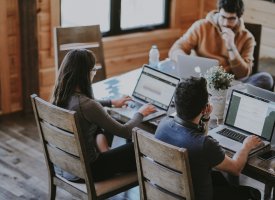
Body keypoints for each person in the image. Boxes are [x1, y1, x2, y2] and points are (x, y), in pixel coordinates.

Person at [51, 49, 156, 182]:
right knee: (138, 146)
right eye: (93, 70)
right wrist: (141, 113)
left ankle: (106, 151)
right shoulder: (87, 105)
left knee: (98, 124)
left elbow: (89, 106)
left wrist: (111, 102)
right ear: (86, 73)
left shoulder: (60, 96)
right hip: (88, 171)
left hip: (64, 166)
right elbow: (124, 131)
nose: (94, 73)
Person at [155, 77, 263, 200]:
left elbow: (198, 141)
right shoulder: (204, 145)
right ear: (204, 108)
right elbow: (236, 168)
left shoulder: (162, 125)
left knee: (220, 178)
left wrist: (205, 119)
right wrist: (246, 145)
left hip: (168, 190)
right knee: (253, 193)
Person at [169, 0, 274, 91]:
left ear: (239, 17)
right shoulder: (201, 26)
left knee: (266, 78)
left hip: (230, 84)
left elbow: (243, 75)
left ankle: (229, 97)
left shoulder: (247, 38)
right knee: (170, 69)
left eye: (231, 19)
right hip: (201, 79)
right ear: (218, 12)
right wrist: (188, 63)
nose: (226, 23)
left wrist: (231, 46)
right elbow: (176, 49)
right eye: (223, 17)